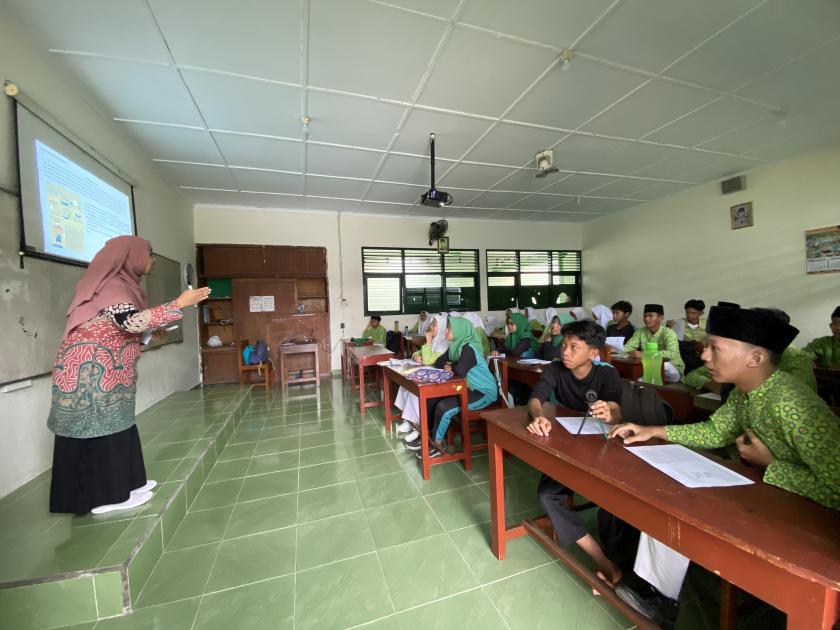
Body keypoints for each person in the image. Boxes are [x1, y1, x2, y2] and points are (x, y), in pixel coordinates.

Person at [609, 305, 840, 624]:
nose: (704, 356)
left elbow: (836, 491)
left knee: (684, 505)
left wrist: (769, 463)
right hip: (769, 494)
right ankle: (660, 596)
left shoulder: (791, 403)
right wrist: (653, 430)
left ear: (755, 358)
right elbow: (716, 430)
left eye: (715, 348)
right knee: (670, 496)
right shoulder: (747, 394)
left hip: (814, 523)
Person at [48, 236, 210, 515]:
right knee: (99, 431)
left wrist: (148, 331)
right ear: (130, 255)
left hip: (108, 373)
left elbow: (125, 327)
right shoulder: (110, 285)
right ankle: (104, 497)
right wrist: (178, 304)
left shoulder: (124, 286)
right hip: (90, 375)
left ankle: (128, 482)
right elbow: (129, 322)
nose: (153, 260)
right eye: (149, 253)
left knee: (117, 425)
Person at [527, 320, 624, 589]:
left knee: (611, 498)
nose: (565, 352)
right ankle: (602, 559)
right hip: (569, 447)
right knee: (547, 495)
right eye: (563, 345)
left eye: (573, 347)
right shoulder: (556, 369)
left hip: (603, 450)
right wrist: (539, 416)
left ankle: (615, 559)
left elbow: (616, 410)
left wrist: (610, 412)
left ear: (593, 353)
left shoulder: (607, 374)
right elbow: (537, 398)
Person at [405, 318, 497, 458]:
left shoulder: (469, 347)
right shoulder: (456, 346)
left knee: (444, 407)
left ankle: (437, 444)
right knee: (432, 399)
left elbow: (460, 371)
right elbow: (440, 361)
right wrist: (448, 366)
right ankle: (427, 436)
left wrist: (451, 366)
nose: (446, 330)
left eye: (449, 328)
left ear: (460, 330)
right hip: (468, 388)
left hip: (484, 392)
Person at [397, 314, 448, 442]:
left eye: (435, 324)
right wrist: (415, 357)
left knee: (415, 391)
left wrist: (429, 340)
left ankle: (417, 428)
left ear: (442, 326)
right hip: (427, 375)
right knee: (405, 384)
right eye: (431, 324)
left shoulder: (445, 344)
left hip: (439, 380)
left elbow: (430, 360)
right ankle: (409, 420)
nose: (431, 327)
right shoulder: (434, 341)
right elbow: (418, 353)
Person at [624, 304, 684, 383]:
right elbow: (627, 347)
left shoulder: (669, 333)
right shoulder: (640, 332)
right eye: (645, 316)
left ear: (661, 318)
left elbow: (671, 354)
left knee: (662, 366)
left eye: (650, 316)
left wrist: (645, 355)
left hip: (671, 368)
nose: (646, 319)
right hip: (648, 367)